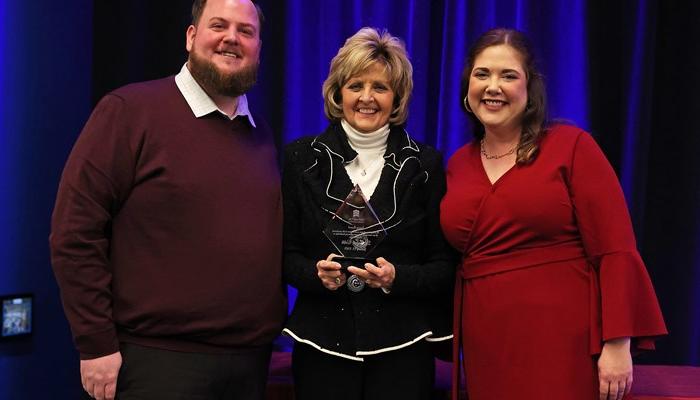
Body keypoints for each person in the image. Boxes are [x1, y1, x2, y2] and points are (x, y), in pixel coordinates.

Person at [49, 1, 286, 399]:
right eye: (218, 25)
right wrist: (95, 343)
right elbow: (74, 233)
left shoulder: (259, 132)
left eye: (246, 31)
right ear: (191, 37)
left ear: (259, 47)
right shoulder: (128, 111)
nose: (232, 38)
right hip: (157, 363)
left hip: (249, 364)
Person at [440, 28, 667, 400]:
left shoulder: (571, 146)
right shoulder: (457, 165)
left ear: (530, 88)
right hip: (486, 341)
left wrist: (617, 342)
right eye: (482, 74)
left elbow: (615, 248)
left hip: (562, 337)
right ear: (468, 86)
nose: (493, 86)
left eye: (508, 75)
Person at [281, 27, 456, 400]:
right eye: (355, 85)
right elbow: (284, 254)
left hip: (403, 349)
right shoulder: (299, 159)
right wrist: (314, 275)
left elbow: (443, 264)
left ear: (397, 98)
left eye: (380, 87)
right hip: (322, 345)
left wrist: (397, 278)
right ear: (337, 92)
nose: (366, 98)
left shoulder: (425, 164)